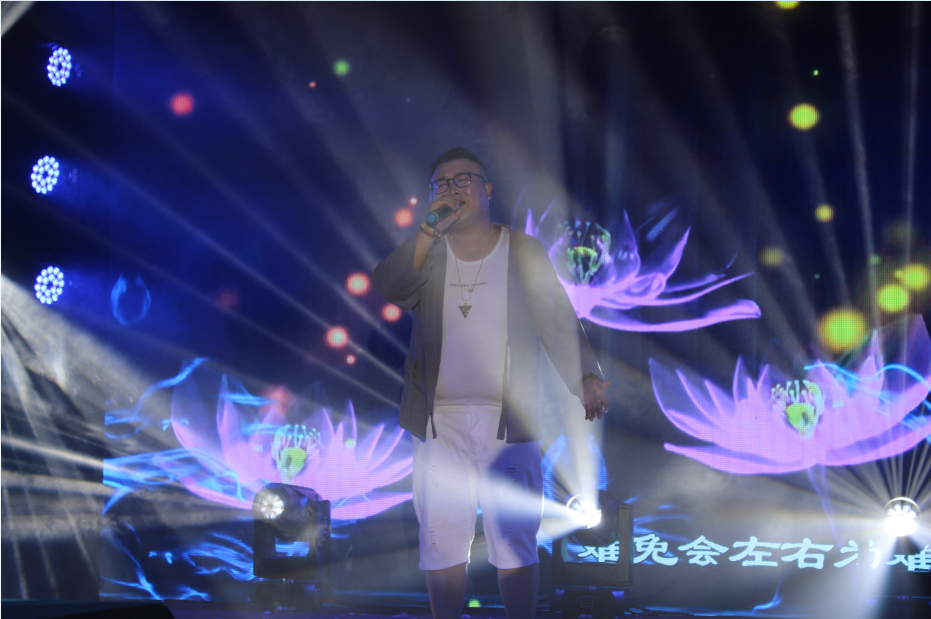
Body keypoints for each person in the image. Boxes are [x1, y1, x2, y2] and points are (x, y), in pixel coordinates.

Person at [372, 148, 609, 619]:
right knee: (441, 541)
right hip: (438, 424)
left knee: (515, 540)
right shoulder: (429, 252)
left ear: (487, 189)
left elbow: (556, 318)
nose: (452, 189)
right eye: (441, 183)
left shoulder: (522, 250)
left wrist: (585, 375)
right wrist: (427, 232)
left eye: (463, 179)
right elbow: (389, 285)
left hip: (508, 424)